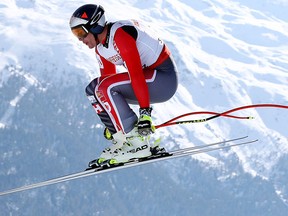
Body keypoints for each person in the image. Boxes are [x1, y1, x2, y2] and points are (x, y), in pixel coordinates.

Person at [69, 4, 178, 167]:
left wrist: (145, 114)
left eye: (81, 32)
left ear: (95, 25)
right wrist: (112, 123)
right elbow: (106, 84)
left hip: (163, 78)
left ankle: (138, 143)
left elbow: (135, 74)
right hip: (148, 81)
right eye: (76, 34)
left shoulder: (120, 34)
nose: (80, 40)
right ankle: (123, 140)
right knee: (93, 90)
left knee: (104, 88)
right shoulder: (101, 48)